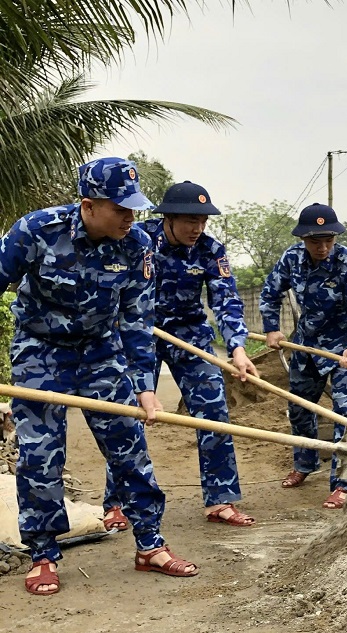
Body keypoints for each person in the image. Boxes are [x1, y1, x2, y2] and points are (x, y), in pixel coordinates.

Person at [0, 157, 199, 596]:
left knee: (129, 448)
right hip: (40, 351)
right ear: (89, 206)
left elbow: (135, 319)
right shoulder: (36, 230)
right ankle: (44, 554)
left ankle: (150, 544)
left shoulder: (137, 245)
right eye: (121, 208)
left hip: (100, 351)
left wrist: (145, 389)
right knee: (40, 456)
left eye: (134, 208)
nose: (131, 217)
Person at [101, 181, 259, 529]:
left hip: (190, 332)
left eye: (202, 220)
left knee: (214, 413)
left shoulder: (210, 250)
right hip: (139, 331)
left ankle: (220, 500)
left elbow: (227, 301)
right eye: (189, 220)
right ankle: (117, 503)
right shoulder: (137, 240)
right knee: (128, 415)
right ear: (168, 218)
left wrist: (237, 347)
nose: (196, 228)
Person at [259, 203, 347, 509]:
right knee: (299, 406)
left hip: (343, 349)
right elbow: (270, 293)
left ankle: (345, 483)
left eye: (328, 240)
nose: (323, 247)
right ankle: (305, 463)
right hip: (307, 345)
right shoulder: (292, 259)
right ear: (303, 239)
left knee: (343, 412)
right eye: (315, 241)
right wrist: (272, 329)